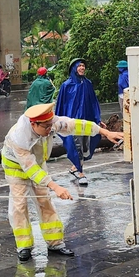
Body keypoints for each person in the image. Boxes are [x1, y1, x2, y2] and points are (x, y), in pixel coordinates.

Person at [2, 102, 123, 262]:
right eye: (45, 127)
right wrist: (55, 186)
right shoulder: (19, 137)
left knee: (45, 201)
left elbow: (75, 125)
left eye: (50, 126)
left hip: (37, 162)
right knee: (19, 205)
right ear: (33, 124)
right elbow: (30, 169)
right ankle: (24, 246)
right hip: (16, 167)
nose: (49, 130)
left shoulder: (50, 124)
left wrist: (103, 131)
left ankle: (55, 243)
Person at [54, 58, 102, 186]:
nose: (82, 68)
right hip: (73, 123)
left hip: (87, 120)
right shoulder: (66, 85)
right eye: (79, 66)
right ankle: (80, 173)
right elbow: (61, 105)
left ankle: (75, 167)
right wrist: (58, 122)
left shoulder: (88, 84)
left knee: (86, 146)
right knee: (76, 146)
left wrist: (97, 119)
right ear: (74, 68)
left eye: (83, 66)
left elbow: (93, 103)